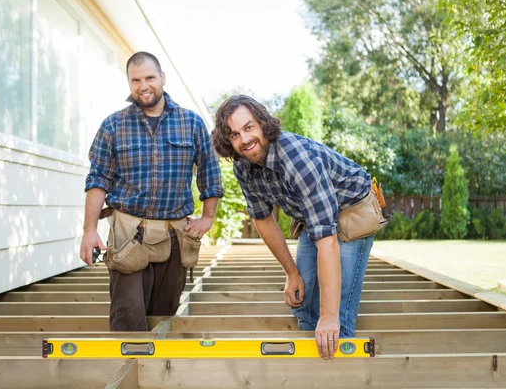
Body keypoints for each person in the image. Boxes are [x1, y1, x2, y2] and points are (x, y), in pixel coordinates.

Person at [211, 95, 376, 359]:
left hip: (352, 209)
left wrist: (330, 317)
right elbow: (263, 220)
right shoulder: (243, 166)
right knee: (305, 301)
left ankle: (339, 363)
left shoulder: (298, 160)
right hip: (314, 214)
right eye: (234, 134)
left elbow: (327, 242)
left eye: (249, 127)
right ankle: (310, 368)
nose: (244, 140)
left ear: (263, 124)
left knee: (337, 314)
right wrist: (291, 273)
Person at [80, 52, 224, 331]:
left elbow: (210, 173)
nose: (143, 85)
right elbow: (97, 179)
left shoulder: (191, 123)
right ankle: (127, 369)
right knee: (128, 317)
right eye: (135, 80)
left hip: (175, 237)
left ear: (162, 79)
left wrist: (208, 218)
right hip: (128, 235)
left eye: (149, 77)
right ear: (129, 83)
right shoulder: (114, 125)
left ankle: (156, 372)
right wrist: (89, 230)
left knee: (164, 316)